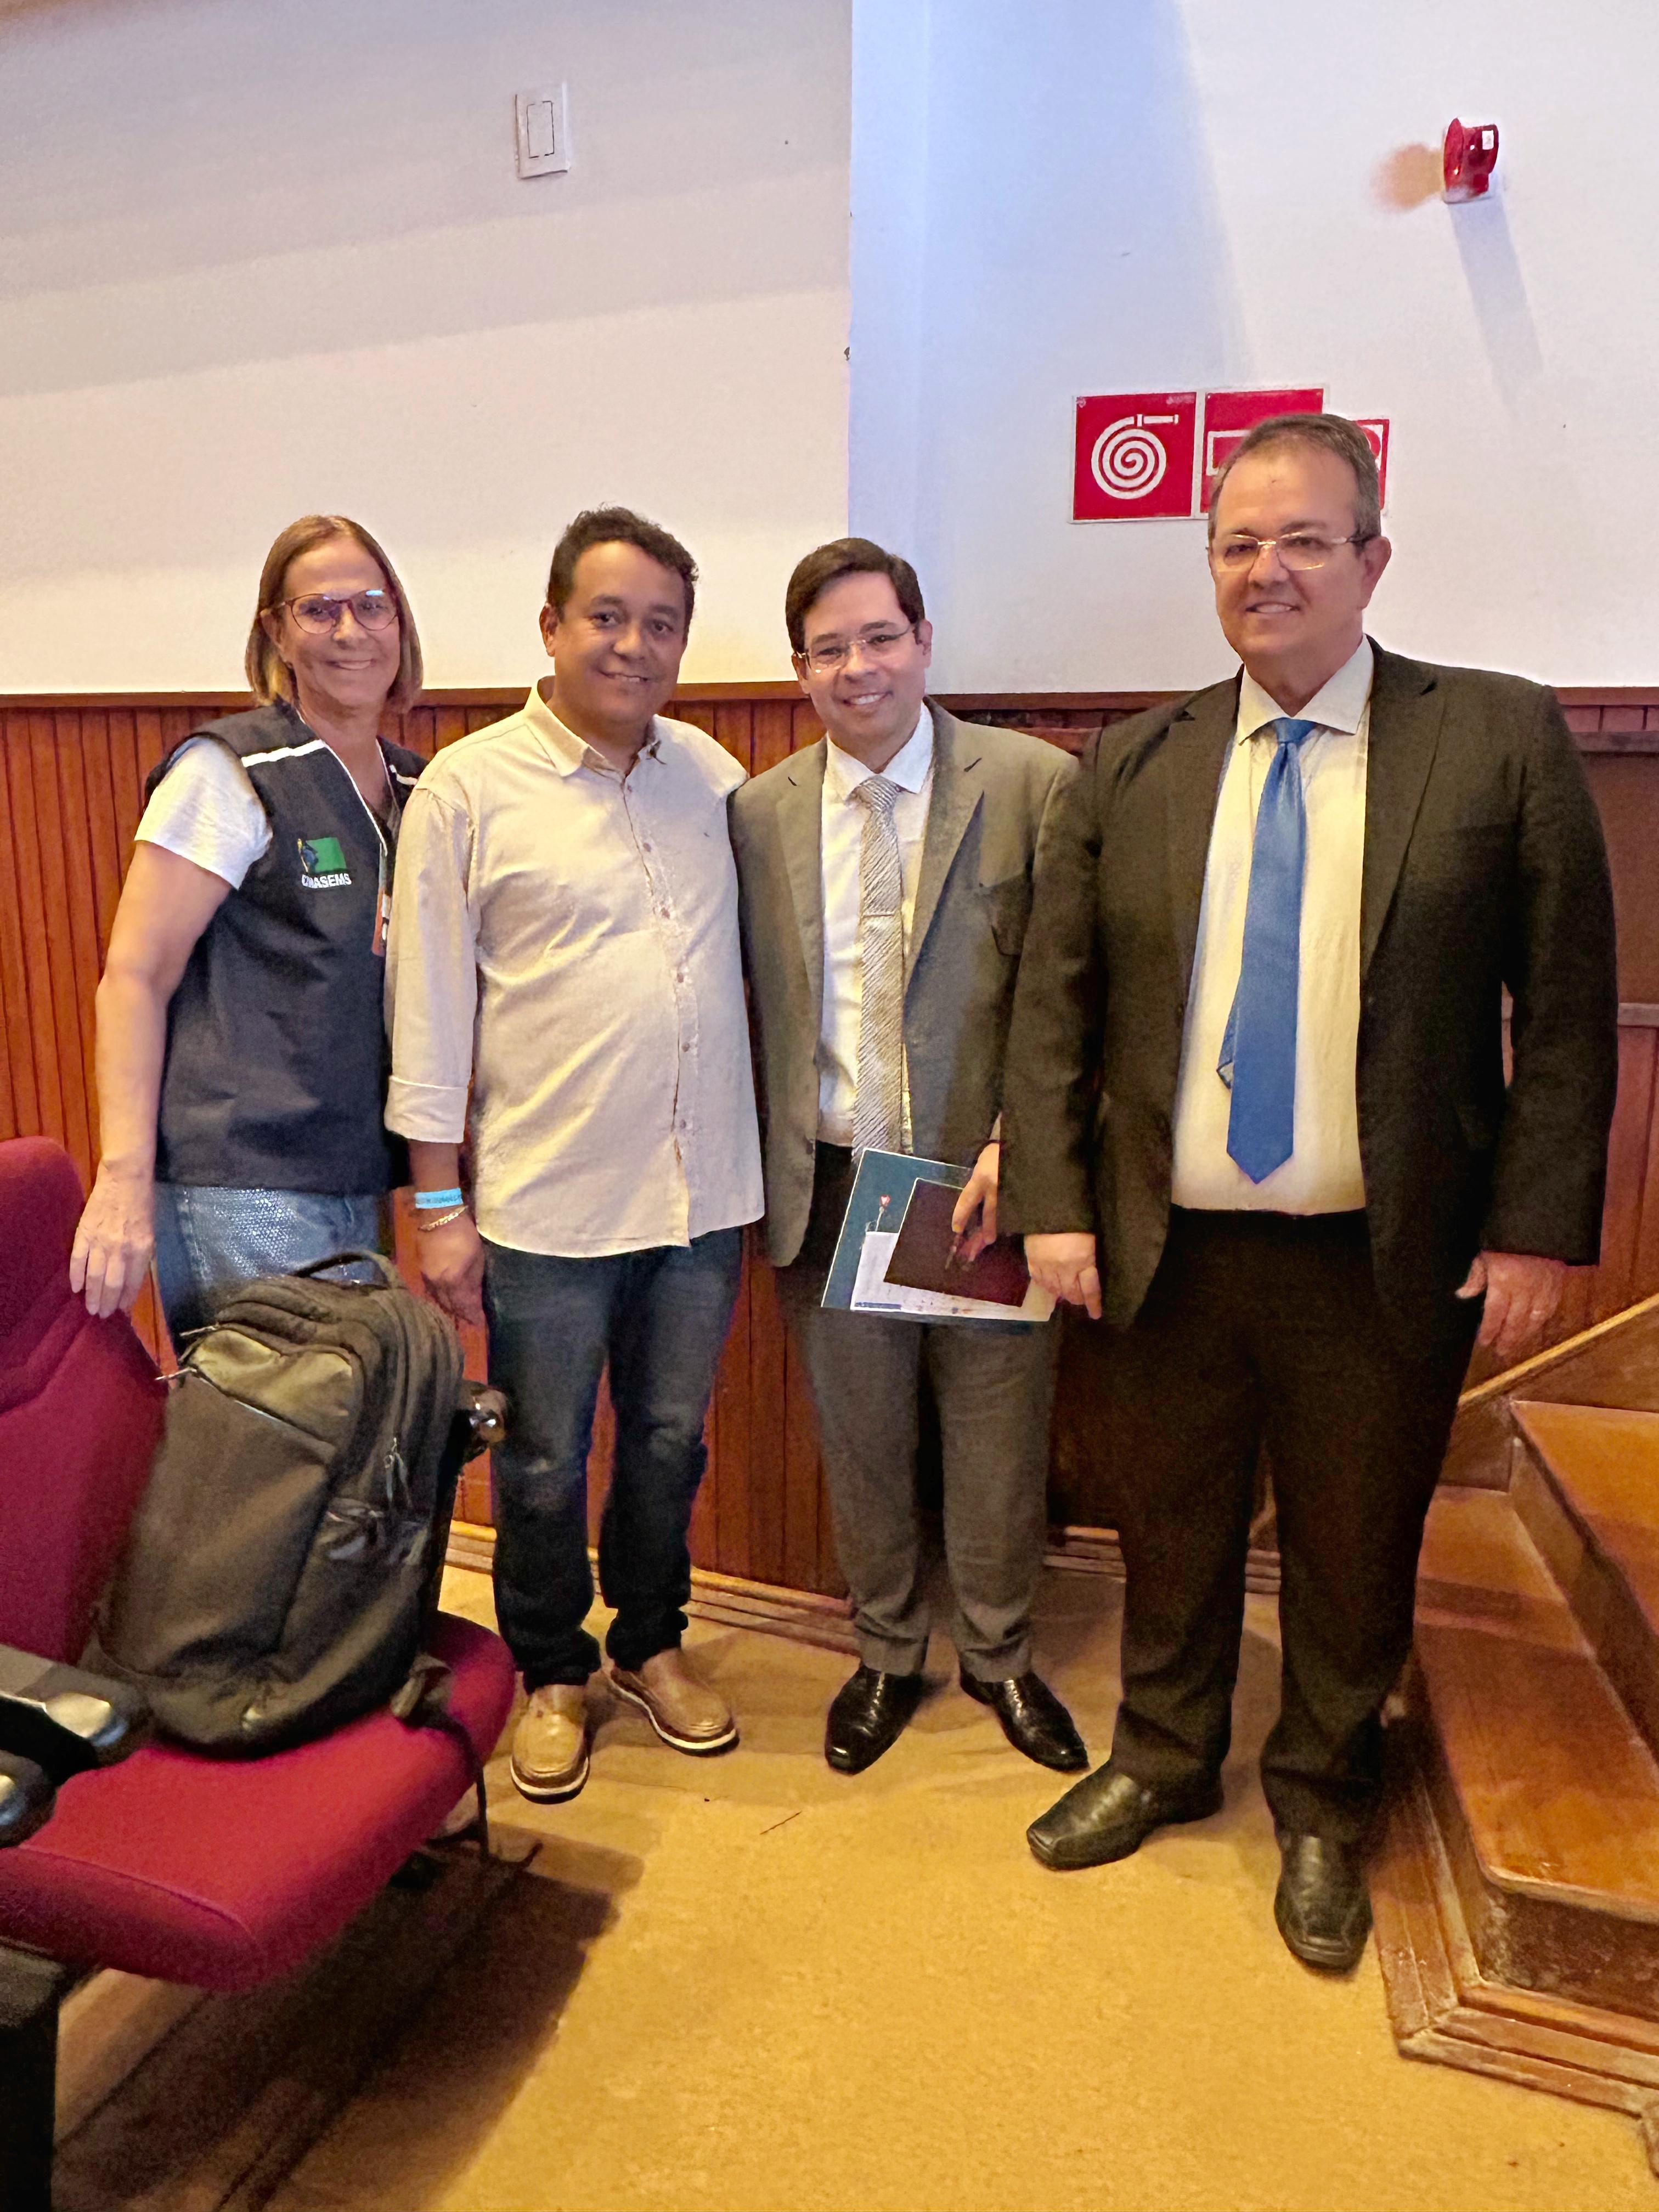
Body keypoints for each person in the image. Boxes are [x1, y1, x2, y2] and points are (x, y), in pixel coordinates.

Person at [1001, 414, 1618, 1970]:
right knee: (1170, 1525)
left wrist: (1536, 1227)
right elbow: (1057, 1009)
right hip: (1170, 1246)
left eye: (1302, 541)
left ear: (1372, 559)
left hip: (1383, 1250)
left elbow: (1564, 1007)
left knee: (1355, 1542)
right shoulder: (1135, 762)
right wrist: (1055, 1206)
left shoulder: (1496, 737)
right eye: (1237, 543)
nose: (1265, 570)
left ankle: (1326, 1797)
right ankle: (1162, 1753)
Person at [386, 506, 762, 1805]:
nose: (633, 646)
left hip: (703, 1195)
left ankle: (650, 1641)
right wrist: (439, 1203)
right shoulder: (468, 789)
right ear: (550, 626)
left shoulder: (710, 776)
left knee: (668, 1440)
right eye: (607, 618)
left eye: (661, 625)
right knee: (542, 1461)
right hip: (546, 1204)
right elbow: (429, 1015)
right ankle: (552, 1669)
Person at [731, 537, 1087, 1777]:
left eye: (880, 637)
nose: (858, 667)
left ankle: (999, 1654)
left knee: (998, 1434)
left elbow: (1073, 990)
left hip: (977, 1183)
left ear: (924, 641)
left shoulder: (1034, 784)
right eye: (828, 649)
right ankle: (886, 1650)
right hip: (833, 1180)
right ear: (800, 669)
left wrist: (1019, 1143)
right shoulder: (759, 814)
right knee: (864, 1437)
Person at [69, 515, 427, 1336]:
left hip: (354, 1173)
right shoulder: (225, 772)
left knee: (353, 1410)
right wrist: (122, 1178)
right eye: (318, 610)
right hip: (242, 1180)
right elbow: (134, 978)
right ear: (276, 633)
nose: (350, 632)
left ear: (400, 623)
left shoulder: (416, 787)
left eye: (371, 606)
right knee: (277, 1416)